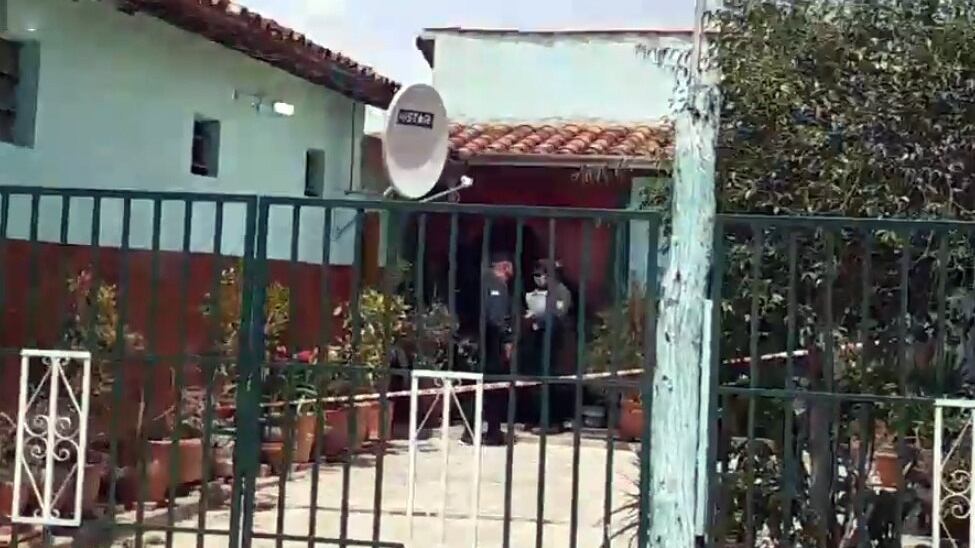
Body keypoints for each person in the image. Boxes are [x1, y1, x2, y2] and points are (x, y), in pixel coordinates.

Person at [462, 252, 514, 446]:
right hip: (491, 345)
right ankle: (493, 432)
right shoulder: (497, 285)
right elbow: (498, 318)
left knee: (474, 388)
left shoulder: (477, 283)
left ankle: (469, 431)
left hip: (474, 343)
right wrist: (507, 341)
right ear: (505, 267)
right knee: (494, 390)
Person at [523, 259, 573, 434]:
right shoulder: (542, 293)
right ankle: (537, 418)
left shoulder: (561, 292)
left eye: (541, 275)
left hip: (554, 342)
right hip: (539, 340)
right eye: (536, 275)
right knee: (537, 380)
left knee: (549, 380)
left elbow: (558, 314)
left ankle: (552, 421)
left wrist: (540, 321)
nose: (538, 279)